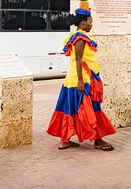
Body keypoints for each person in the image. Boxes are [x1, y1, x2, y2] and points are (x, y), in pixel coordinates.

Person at [46, 8, 116, 150]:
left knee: (69, 107)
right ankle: (98, 140)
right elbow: (78, 60)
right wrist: (80, 81)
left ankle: (65, 140)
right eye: (90, 22)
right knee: (91, 108)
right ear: (83, 23)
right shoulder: (81, 38)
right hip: (81, 78)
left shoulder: (76, 36)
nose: (91, 24)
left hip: (74, 79)